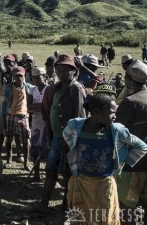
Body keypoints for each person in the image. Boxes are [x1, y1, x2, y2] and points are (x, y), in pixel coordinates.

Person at [64, 87, 147, 224]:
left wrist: (123, 163)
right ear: (96, 112)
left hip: (104, 184)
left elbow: (142, 146)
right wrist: (73, 149)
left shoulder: (116, 130)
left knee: (104, 218)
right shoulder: (77, 125)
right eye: (112, 113)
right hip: (82, 182)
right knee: (82, 217)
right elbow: (66, 134)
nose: (115, 116)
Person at [27, 54, 87, 214]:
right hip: (56, 138)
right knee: (50, 170)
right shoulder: (55, 88)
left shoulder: (76, 89)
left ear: (73, 71)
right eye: (58, 69)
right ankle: (43, 205)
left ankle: (66, 206)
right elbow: (48, 112)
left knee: (68, 174)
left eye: (65, 70)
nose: (61, 72)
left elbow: (80, 118)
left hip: (70, 140)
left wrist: (71, 141)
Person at [114, 60, 147, 215]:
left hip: (132, 166)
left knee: (127, 211)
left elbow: (117, 134)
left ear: (128, 79)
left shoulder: (129, 102)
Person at [1, 66, 32, 171]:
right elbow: (4, 105)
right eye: (16, 76)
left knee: (26, 142)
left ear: (24, 75)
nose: (19, 78)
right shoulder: (8, 88)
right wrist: (4, 121)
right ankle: (9, 161)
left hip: (23, 117)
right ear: (13, 76)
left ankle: (26, 163)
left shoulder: (29, 88)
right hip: (11, 116)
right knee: (9, 140)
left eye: (20, 76)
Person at [27, 67, 48, 182]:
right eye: (33, 77)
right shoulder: (32, 90)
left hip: (47, 122)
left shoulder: (49, 89)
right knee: (36, 146)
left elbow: (51, 106)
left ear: (44, 77)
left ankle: (48, 174)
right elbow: (28, 107)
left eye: (38, 77)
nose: (35, 80)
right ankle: (36, 174)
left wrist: (37, 106)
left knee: (48, 147)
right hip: (36, 122)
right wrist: (44, 105)